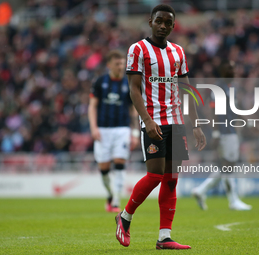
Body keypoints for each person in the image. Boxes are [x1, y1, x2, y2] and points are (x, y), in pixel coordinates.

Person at [115, 4, 206, 250]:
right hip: (153, 120)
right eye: (159, 21)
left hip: (176, 122)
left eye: (168, 22)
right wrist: (146, 120)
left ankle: (164, 237)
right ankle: (124, 217)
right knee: (155, 175)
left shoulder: (178, 52)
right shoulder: (138, 49)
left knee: (171, 180)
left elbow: (186, 90)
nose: (163, 25)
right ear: (150, 21)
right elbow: (134, 89)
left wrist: (195, 125)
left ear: (174, 26)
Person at [192, 61, 252, 211]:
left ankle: (201, 190)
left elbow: (235, 108)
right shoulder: (218, 88)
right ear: (223, 71)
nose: (235, 71)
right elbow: (213, 112)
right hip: (225, 131)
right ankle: (233, 200)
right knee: (228, 165)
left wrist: (248, 122)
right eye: (231, 68)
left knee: (225, 165)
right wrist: (216, 133)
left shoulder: (231, 88)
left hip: (231, 130)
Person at [88, 50, 139, 213]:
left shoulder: (128, 84)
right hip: (103, 130)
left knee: (119, 163)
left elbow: (134, 110)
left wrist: (135, 133)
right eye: (117, 64)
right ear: (109, 65)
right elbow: (92, 106)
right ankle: (110, 194)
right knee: (103, 168)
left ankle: (116, 201)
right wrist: (93, 128)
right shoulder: (100, 82)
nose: (121, 66)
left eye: (122, 64)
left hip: (122, 129)